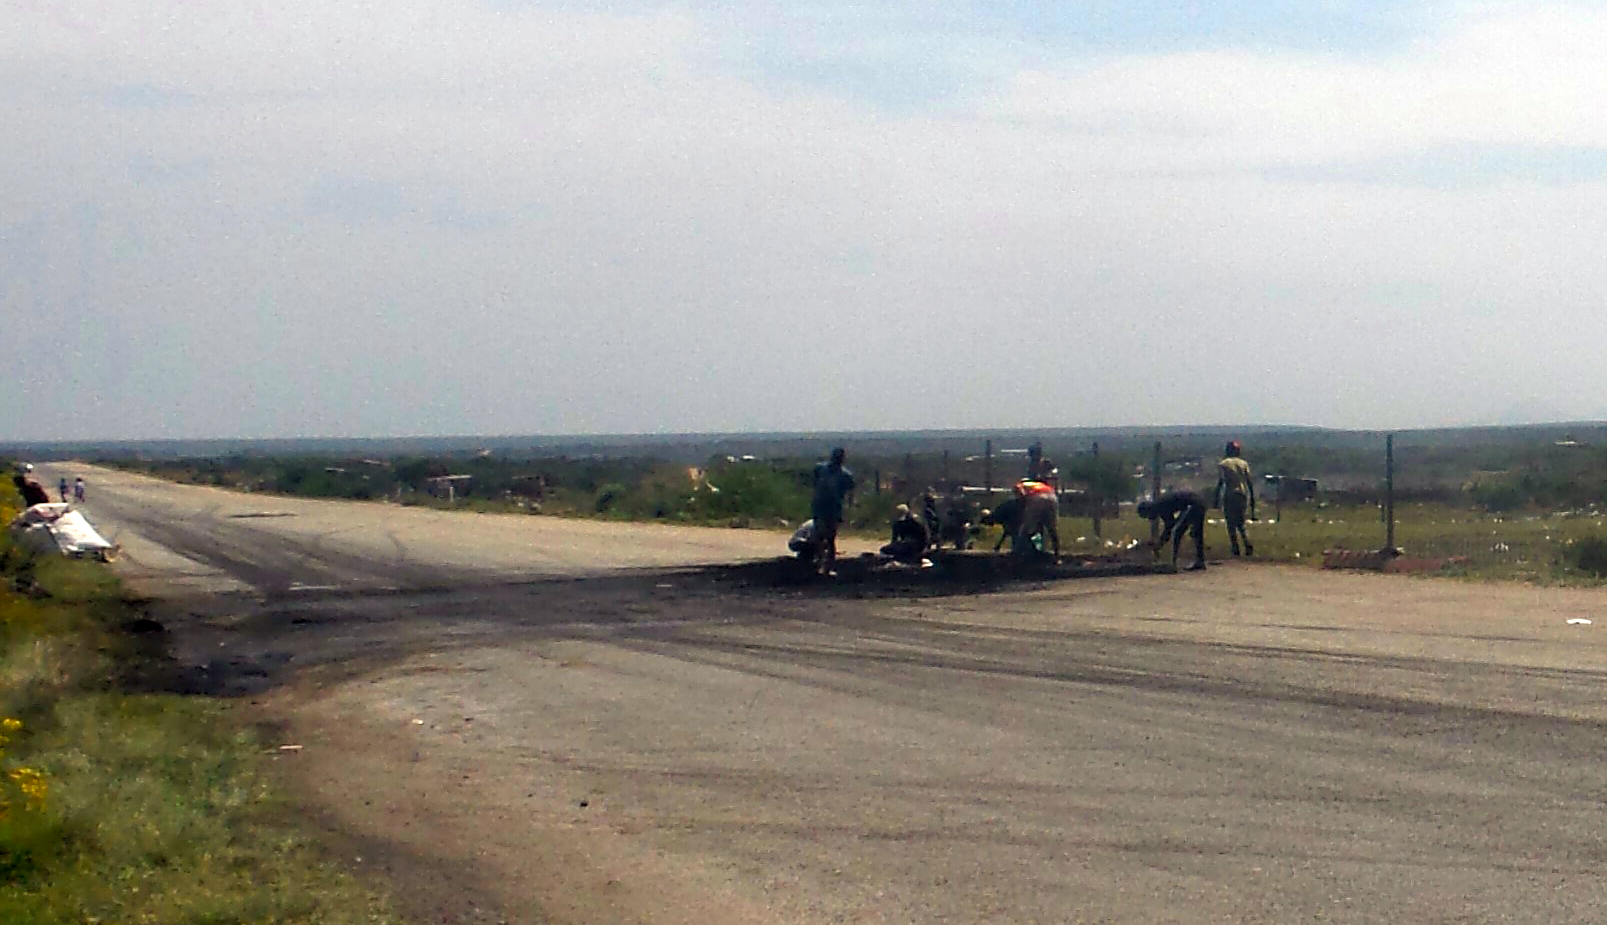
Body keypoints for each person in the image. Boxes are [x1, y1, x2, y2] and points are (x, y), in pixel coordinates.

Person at [810, 447, 856, 575]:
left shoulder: (845, 475)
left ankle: (829, 566)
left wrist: (849, 507)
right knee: (819, 535)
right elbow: (814, 483)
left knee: (830, 538)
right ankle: (819, 562)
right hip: (819, 506)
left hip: (834, 508)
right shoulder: (820, 469)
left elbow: (850, 492)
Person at [1138, 490, 1209, 571]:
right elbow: (1170, 525)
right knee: (1196, 533)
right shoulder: (1159, 504)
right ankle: (1200, 561)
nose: (1149, 518)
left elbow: (1169, 527)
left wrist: (1160, 544)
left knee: (1176, 532)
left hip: (1193, 504)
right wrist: (1161, 542)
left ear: (1149, 510)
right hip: (1199, 502)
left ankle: (1172, 563)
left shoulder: (1160, 506)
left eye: (1147, 516)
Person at [1214, 440, 1256, 556]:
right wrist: (1252, 497)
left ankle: (1235, 548)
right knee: (1241, 522)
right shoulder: (1243, 464)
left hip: (1230, 494)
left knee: (1230, 523)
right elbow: (1249, 482)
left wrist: (1216, 498)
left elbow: (1221, 482)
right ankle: (1247, 543)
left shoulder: (1224, 464)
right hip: (1242, 494)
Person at [1014, 479, 1061, 561]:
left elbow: (1022, 495)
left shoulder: (1020, 485)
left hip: (1037, 498)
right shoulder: (1041, 485)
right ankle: (1057, 556)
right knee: (1052, 529)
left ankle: (1019, 554)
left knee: (1025, 529)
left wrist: (1025, 507)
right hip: (1052, 498)